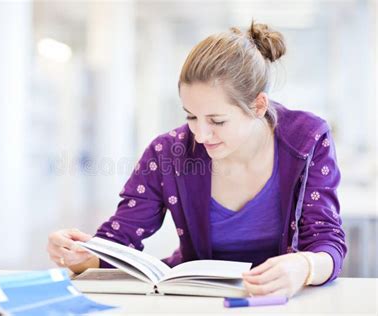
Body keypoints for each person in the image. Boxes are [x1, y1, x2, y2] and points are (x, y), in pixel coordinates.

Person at [46, 21, 347, 298]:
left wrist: (304, 266)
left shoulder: (307, 139)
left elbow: (327, 241)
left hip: (281, 302)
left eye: (217, 120)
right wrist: (80, 255)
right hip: (194, 299)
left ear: (258, 105)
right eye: (191, 116)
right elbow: (119, 240)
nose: (201, 135)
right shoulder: (168, 152)